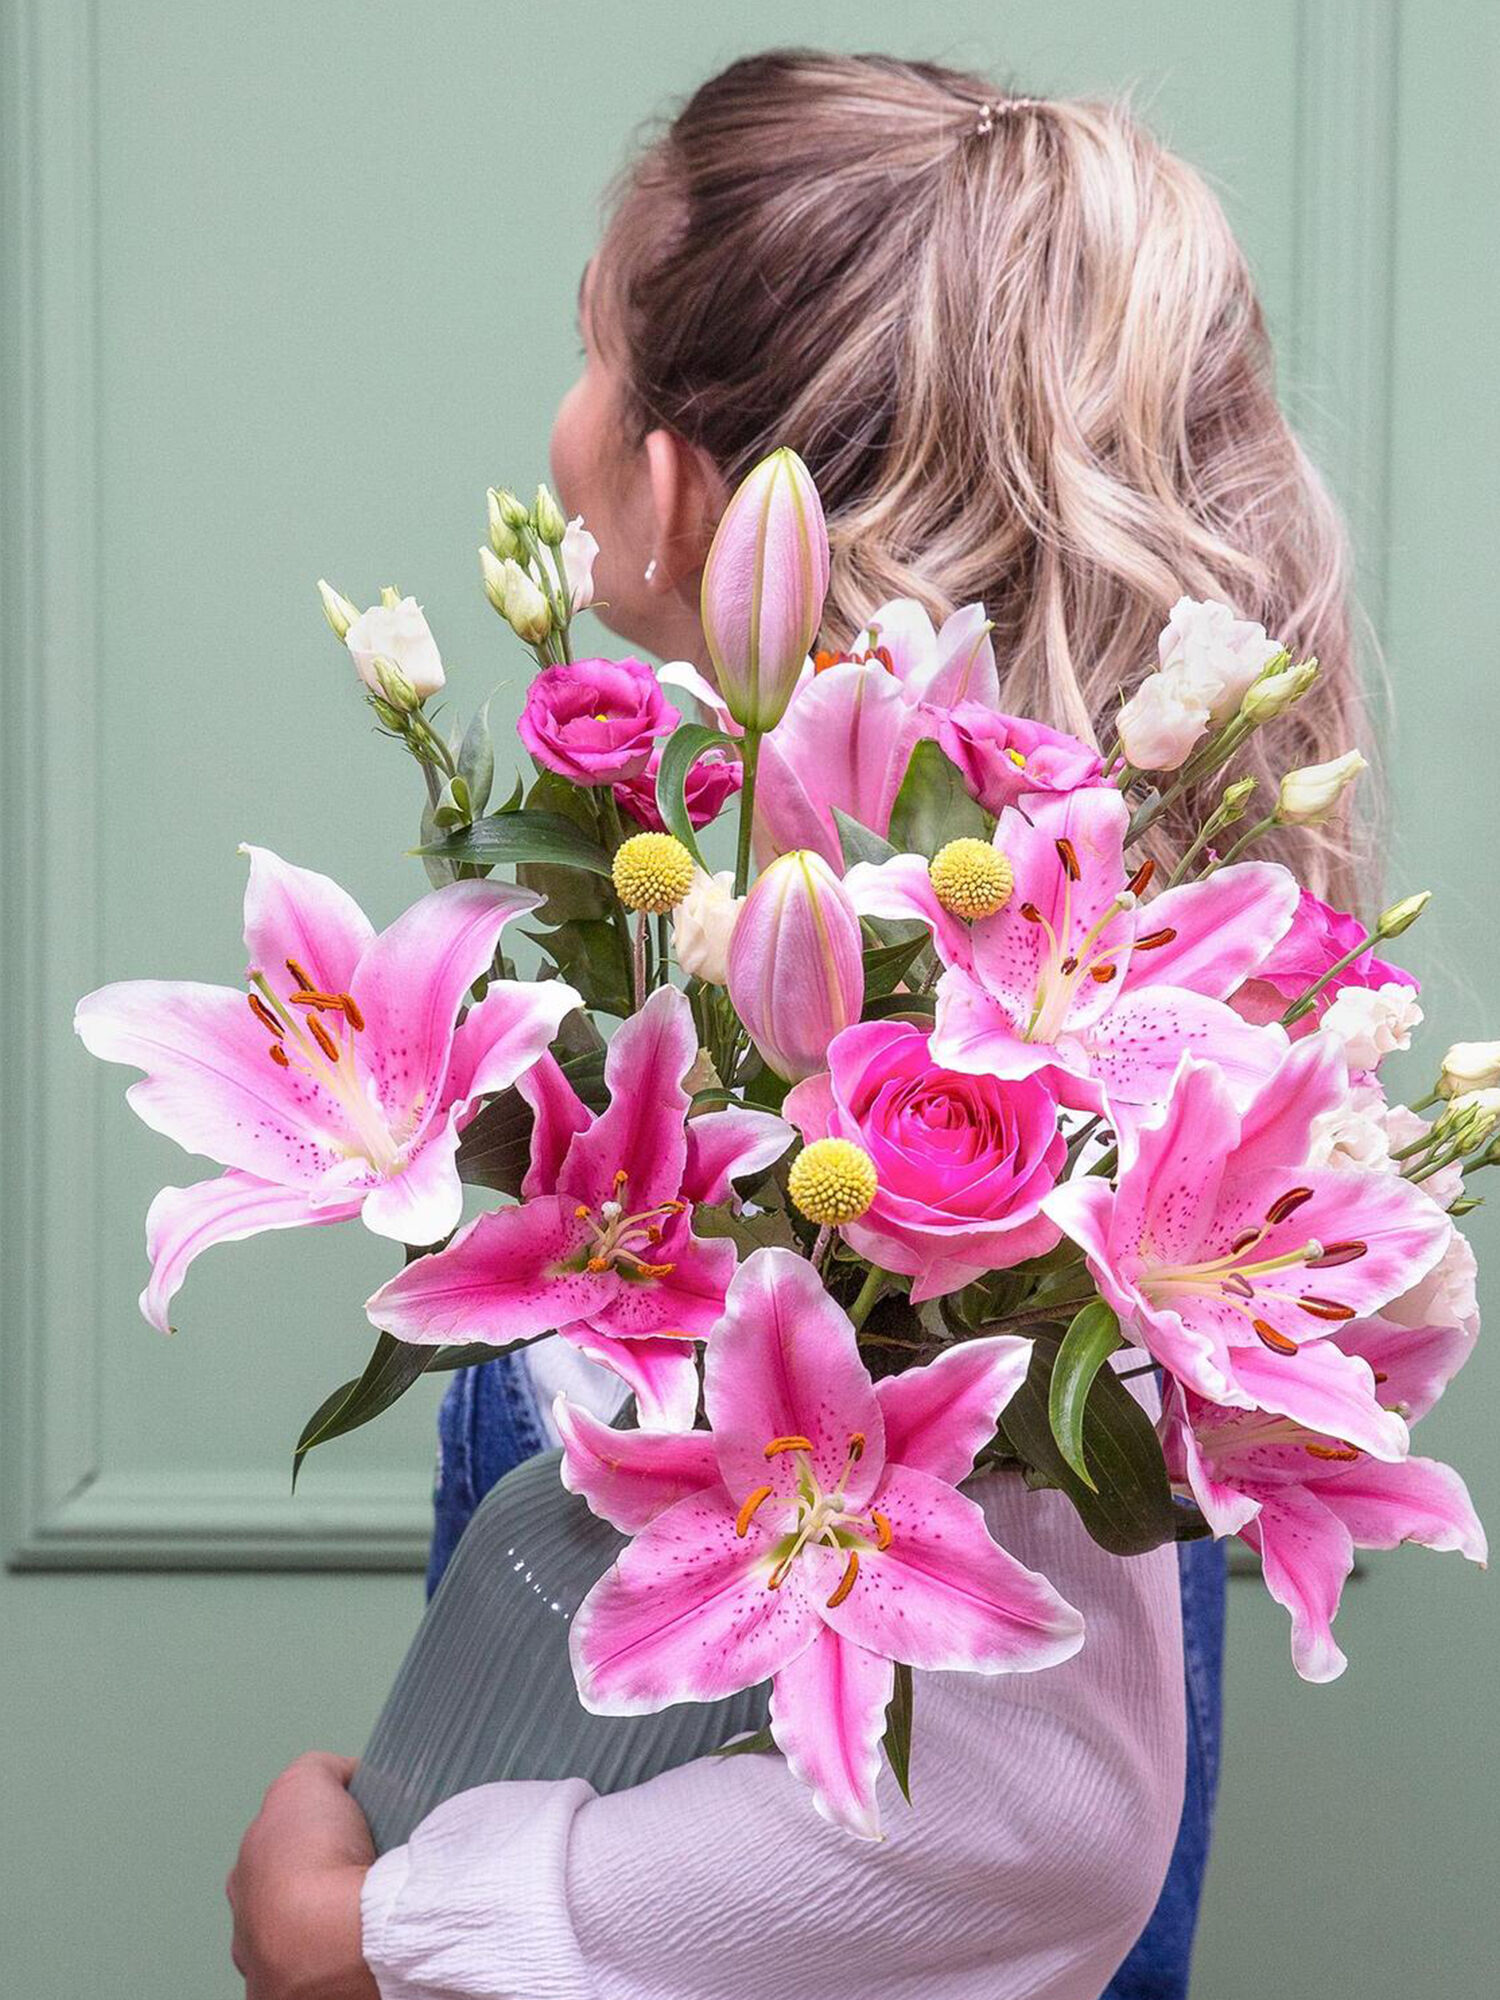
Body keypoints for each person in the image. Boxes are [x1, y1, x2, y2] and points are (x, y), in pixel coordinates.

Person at [228, 51, 1369, 2000]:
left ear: (688, 490)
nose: (562, 417)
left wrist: (385, 1931)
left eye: (590, 349)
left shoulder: (955, 1090)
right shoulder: (834, 973)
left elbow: (1034, 1822)